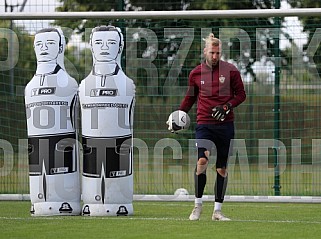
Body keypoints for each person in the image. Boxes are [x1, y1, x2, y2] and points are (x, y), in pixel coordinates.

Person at [168, 33, 246, 221]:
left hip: (225, 126)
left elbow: (241, 95)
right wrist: (178, 116)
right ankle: (197, 206)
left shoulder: (231, 71)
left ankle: (217, 211)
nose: (214, 56)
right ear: (205, 51)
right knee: (202, 161)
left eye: (218, 53)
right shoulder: (195, 73)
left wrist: (227, 106)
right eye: (212, 52)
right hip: (204, 124)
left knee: (221, 169)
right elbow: (190, 97)